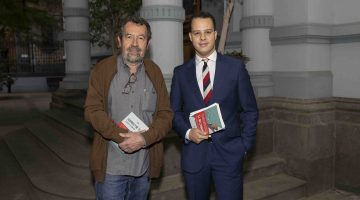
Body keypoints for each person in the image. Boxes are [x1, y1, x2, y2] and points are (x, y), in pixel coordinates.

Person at [170, 11, 259, 200]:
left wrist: (244, 146)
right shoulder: (180, 73)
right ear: (190, 36)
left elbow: (250, 110)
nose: (203, 38)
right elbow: (174, 112)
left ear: (215, 34)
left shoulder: (235, 68)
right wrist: (188, 132)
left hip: (229, 154)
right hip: (195, 156)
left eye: (208, 32)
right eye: (197, 33)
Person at [84, 15, 173, 200]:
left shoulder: (154, 72)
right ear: (119, 40)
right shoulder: (102, 70)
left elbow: (165, 115)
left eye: (141, 38)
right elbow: (92, 111)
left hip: (143, 169)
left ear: (147, 44)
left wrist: (144, 138)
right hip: (111, 170)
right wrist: (120, 135)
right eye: (129, 36)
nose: (134, 43)